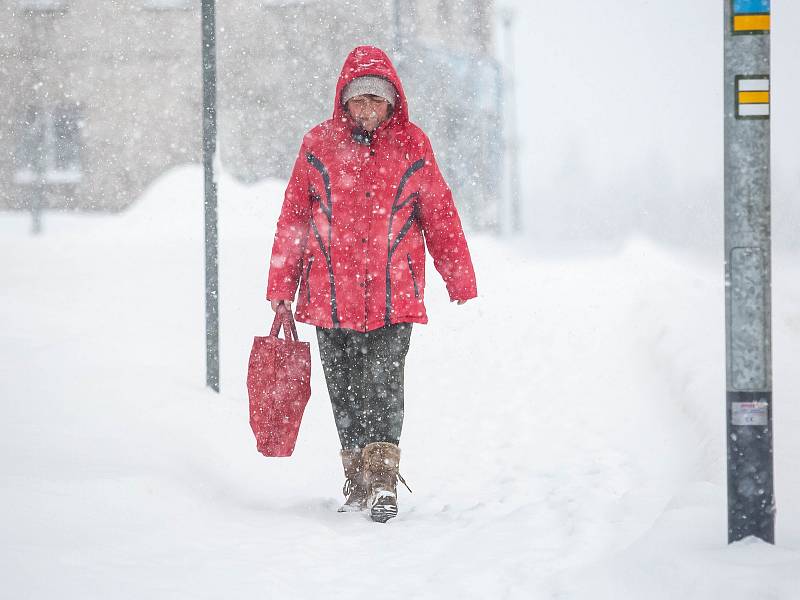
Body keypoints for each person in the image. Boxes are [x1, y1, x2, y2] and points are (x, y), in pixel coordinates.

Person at [266, 45, 477, 523]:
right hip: (329, 296)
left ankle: (383, 480)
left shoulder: (413, 145)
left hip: (393, 294)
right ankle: (356, 477)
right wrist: (281, 285)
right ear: (344, 101)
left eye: (376, 101)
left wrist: (458, 276)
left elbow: (439, 215)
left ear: (391, 102)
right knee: (343, 390)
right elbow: (294, 220)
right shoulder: (318, 145)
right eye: (358, 100)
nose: (367, 109)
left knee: (383, 385)